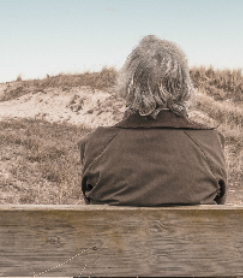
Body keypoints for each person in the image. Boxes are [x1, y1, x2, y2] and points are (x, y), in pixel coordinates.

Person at [77, 35, 227, 207]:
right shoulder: (210, 144)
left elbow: (89, 200)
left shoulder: (96, 145)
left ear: (129, 87)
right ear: (183, 86)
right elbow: (219, 202)